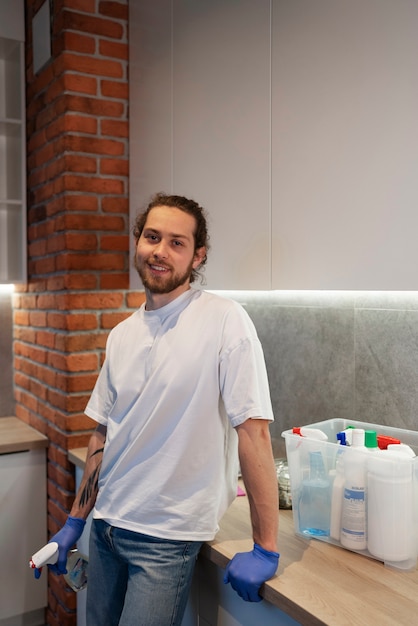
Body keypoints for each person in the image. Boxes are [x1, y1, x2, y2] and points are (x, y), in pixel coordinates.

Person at [42, 193, 279, 625]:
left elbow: (254, 431)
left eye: (177, 242)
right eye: (152, 237)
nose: (160, 252)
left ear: (198, 255)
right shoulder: (123, 334)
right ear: (137, 241)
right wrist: (76, 521)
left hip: (166, 539)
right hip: (108, 527)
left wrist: (266, 545)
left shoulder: (225, 320)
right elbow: (104, 434)